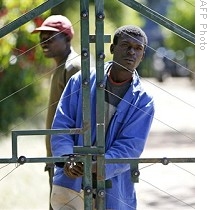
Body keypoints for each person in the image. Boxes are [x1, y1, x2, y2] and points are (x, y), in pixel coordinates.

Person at [50, 25, 155, 210]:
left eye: (138, 48)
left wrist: (95, 166)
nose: (131, 52)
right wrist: (67, 158)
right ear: (112, 48)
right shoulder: (81, 81)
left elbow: (129, 147)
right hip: (71, 184)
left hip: (113, 188)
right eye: (125, 45)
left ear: (143, 55)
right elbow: (62, 124)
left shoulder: (144, 101)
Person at [31, 15, 81, 210]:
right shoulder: (62, 66)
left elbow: (79, 116)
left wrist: (67, 157)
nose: (44, 41)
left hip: (69, 160)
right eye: (41, 37)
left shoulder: (74, 67)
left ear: (67, 38)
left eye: (50, 37)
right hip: (58, 158)